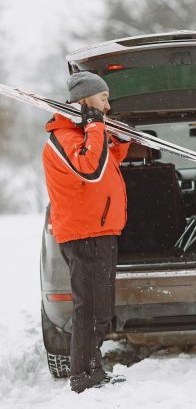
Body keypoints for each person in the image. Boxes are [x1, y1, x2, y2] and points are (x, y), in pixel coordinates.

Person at [42, 71, 130, 393]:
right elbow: (90, 170)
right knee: (90, 308)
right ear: (85, 101)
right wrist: (95, 127)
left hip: (99, 230)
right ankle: (83, 375)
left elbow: (104, 162)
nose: (107, 106)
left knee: (100, 308)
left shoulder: (82, 135)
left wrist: (117, 141)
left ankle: (93, 369)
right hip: (85, 235)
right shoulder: (63, 138)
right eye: (103, 99)